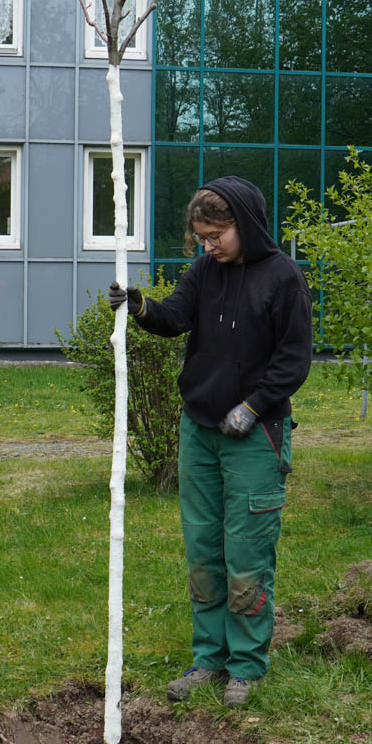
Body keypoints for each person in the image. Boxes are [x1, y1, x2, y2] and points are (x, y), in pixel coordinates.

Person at [109, 176, 312, 710]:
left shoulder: (283, 278)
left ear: (243, 224)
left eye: (216, 234)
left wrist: (252, 406)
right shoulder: (204, 271)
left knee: (245, 552)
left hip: (254, 434)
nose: (207, 245)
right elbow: (176, 318)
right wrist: (140, 306)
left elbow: (293, 361)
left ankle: (245, 666)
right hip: (198, 430)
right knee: (203, 550)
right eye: (201, 237)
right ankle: (208, 658)